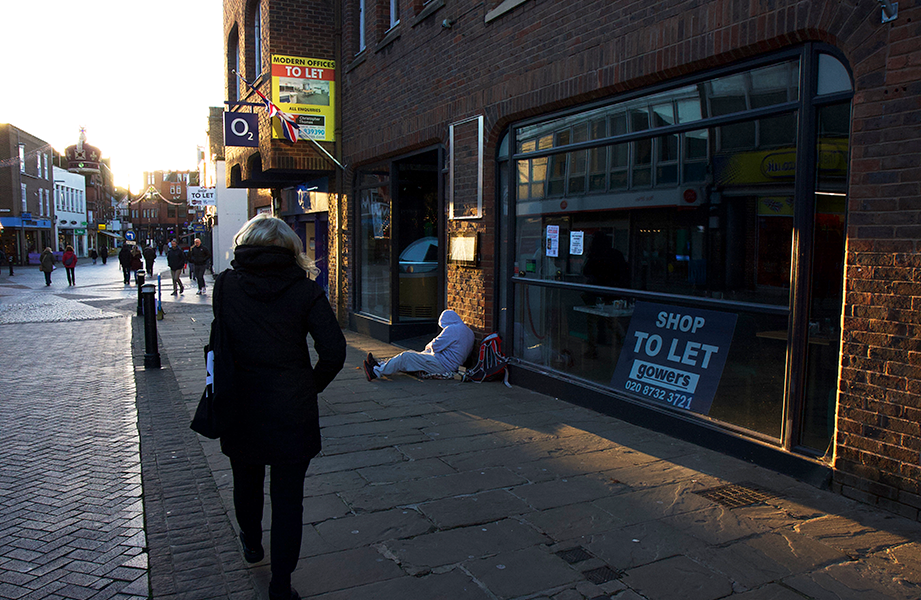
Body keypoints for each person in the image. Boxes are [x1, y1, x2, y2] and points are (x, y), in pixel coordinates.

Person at [215, 214, 346, 600]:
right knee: (289, 499)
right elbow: (334, 352)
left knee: (246, 481)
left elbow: (218, 347)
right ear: (290, 248)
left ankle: (252, 545)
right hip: (292, 408)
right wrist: (309, 387)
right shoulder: (305, 291)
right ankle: (281, 585)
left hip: (241, 404)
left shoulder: (225, 286)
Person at [363, 309, 474, 381]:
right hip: (448, 363)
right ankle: (379, 364)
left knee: (406, 356)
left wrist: (429, 345)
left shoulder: (452, 329)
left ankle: (375, 372)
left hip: (443, 365)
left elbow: (436, 346)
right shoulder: (469, 332)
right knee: (413, 356)